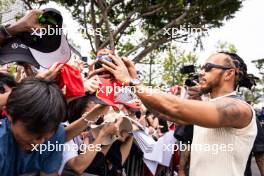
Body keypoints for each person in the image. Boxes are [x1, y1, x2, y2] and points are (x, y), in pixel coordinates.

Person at [96, 52, 257, 176]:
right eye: (201, 68)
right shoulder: (208, 106)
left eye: (208, 67)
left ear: (229, 74)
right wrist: (133, 80)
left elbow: (175, 107)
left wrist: (132, 82)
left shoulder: (239, 108)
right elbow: (163, 111)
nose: (201, 72)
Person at [0, 78, 67, 175]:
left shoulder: (56, 132)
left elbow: (50, 173)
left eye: (47, 133)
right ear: (8, 113)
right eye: (32, 130)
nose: (40, 142)